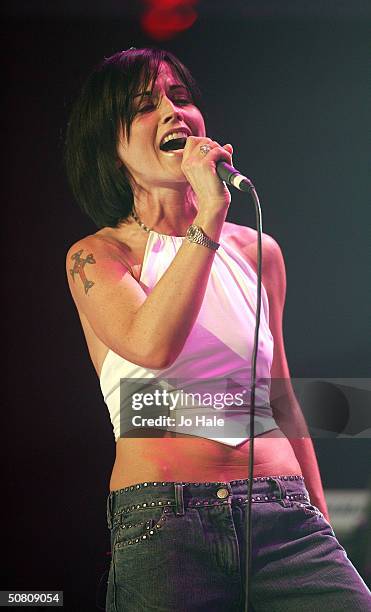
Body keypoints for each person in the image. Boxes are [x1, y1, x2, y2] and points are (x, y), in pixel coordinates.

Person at [64, 47, 371, 611]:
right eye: (144, 105)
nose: (172, 112)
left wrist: (322, 523)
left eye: (180, 98)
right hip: (165, 523)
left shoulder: (259, 252)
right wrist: (208, 215)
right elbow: (153, 344)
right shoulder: (98, 257)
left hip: (285, 518)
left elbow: (281, 397)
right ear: (109, 145)